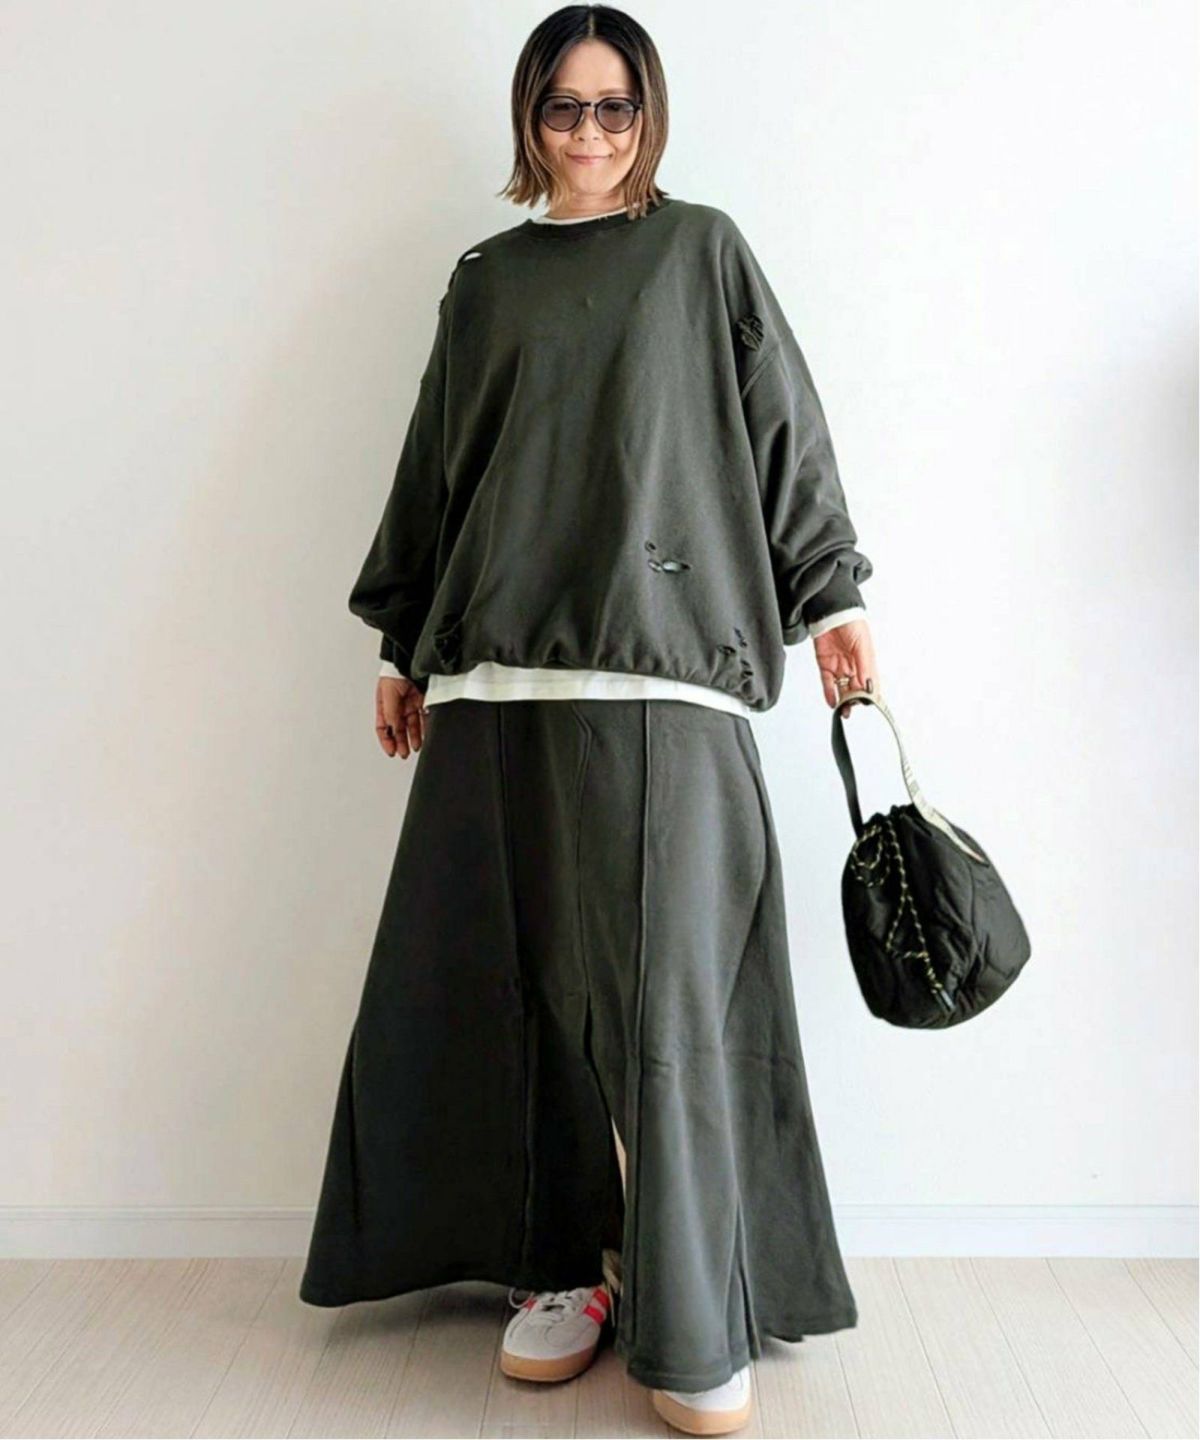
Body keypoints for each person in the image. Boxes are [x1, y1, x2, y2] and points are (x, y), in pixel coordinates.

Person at [300, 6, 880, 1435]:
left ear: (649, 115)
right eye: (563, 108)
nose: (589, 134)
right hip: (497, 682)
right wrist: (403, 647)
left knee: (674, 1008)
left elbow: (784, 428)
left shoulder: (702, 252)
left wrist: (832, 597)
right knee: (521, 1000)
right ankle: (559, 1272)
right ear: (529, 120)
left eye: (614, 107)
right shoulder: (485, 280)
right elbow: (439, 468)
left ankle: (696, 1313)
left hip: (668, 675)